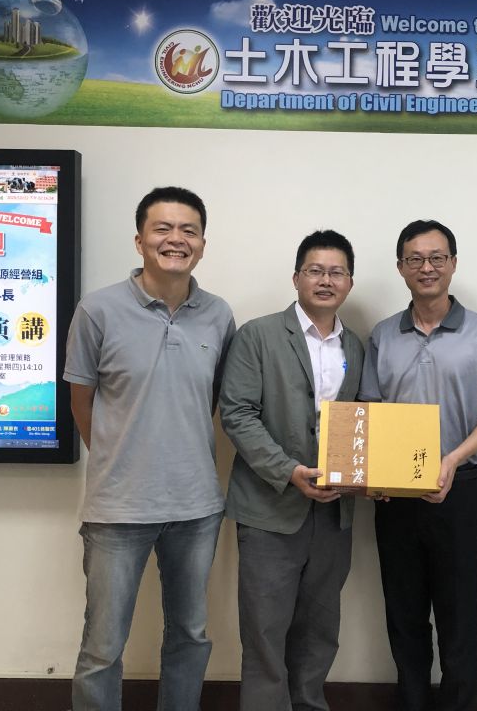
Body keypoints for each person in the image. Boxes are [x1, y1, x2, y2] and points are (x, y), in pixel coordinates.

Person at [64, 187, 235, 711]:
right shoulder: (98, 310)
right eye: (162, 228)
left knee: (190, 635)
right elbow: (81, 403)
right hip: (118, 509)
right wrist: (122, 458)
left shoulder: (218, 315)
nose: (175, 239)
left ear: (202, 244)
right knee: (102, 647)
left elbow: (210, 400)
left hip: (196, 507)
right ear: (140, 241)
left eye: (188, 230)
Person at [359, 220, 477, 711]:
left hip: (461, 487)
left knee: (458, 613)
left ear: (453, 263)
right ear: (400, 267)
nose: (426, 267)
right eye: (415, 259)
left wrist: (451, 460)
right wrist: (373, 472)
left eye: (437, 257)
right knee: (403, 612)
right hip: (394, 494)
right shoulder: (383, 335)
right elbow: (370, 409)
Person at [219, 230, 365, 711]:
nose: (326, 280)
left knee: (320, 630)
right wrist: (288, 471)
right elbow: (237, 413)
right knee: (264, 631)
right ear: (297, 277)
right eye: (315, 270)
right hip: (270, 508)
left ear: (349, 282)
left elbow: (365, 421)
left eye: (337, 272)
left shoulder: (356, 346)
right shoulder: (258, 335)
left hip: (334, 513)